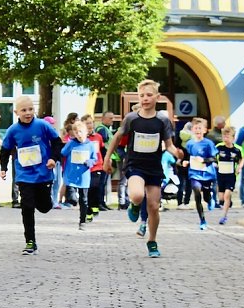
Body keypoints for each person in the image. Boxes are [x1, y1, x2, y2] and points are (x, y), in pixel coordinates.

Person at [103, 79, 181, 258]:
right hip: (135, 165)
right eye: (142, 95)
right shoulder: (132, 118)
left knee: (153, 206)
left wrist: (178, 154)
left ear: (157, 97)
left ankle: (152, 241)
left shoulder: (162, 120)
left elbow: (169, 145)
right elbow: (116, 138)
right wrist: (107, 158)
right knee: (138, 195)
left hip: (154, 167)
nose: (145, 98)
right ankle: (134, 205)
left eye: (149, 95)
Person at [0, 96, 62, 254]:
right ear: (16, 112)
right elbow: (5, 150)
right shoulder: (13, 130)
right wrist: (3, 168)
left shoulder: (42, 125)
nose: (28, 113)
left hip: (43, 174)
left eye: (30, 109)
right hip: (24, 175)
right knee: (27, 207)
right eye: (24, 110)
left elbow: (57, 142)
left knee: (45, 207)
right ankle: (30, 242)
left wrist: (53, 158)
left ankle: (45, 202)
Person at [183, 117, 218, 230]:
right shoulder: (190, 143)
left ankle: (210, 199)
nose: (198, 130)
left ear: (205, 130)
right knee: (197, 193)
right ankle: (202, 220)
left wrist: (204, 160)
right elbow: (187, 156)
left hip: (206, 174)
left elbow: (214, 158)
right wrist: (185, 161)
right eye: (196, 128)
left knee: (206, 197)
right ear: (192, 130)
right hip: (194, 173)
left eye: (200, 128)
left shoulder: (208, 143)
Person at [61, 121, 97, 230]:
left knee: (84, 199)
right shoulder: (71, 143)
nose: (79, 134)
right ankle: (73, 201)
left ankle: (82, 221)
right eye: (76, 132)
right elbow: (63, 152)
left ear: (86, 132)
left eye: (80, 132)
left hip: (83, 176)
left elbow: (94, 158)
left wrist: (90, 162)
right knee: (72, 198)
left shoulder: (90, 145)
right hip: (71, 174)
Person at [214, 126, 244, 225]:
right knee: (221, 197)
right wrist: (214, 163)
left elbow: (242, 159)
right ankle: (226, 202)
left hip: (231, 175)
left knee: (227, 194)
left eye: (228, 137)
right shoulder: (219, 147)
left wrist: (239, 167)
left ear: (233, 138)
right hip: (220, 174)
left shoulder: (237, 149)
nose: (225, 139)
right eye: (224, 137)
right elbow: (213, 156)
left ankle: (224, 216)